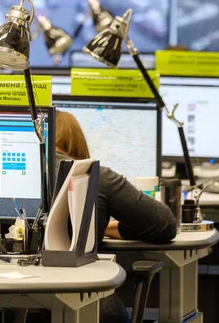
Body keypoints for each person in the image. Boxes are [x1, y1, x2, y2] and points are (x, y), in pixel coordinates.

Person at [55, 110, 176, 323]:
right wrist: (105, 226)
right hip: (87, 302)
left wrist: (105, 226)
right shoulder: (94, 177)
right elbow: (164, 224)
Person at [55, 110, 176, 243]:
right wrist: (99, 224)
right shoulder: (95, 177)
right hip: (81, 264)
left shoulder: (30, 176)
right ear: (76, 141)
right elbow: (164, 224)